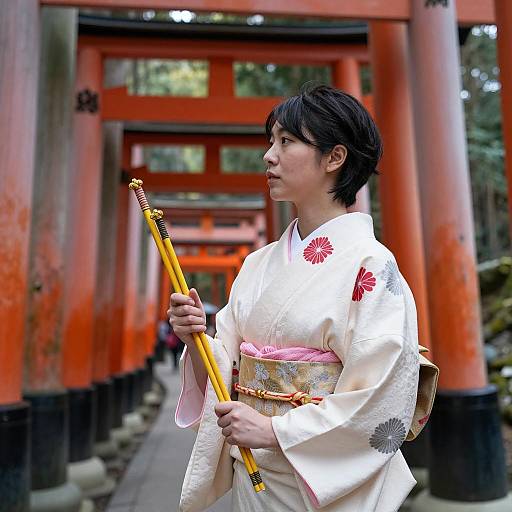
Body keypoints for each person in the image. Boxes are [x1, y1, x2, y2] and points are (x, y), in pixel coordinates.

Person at [169, 85, 424, 512]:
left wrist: (275, 432)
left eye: (286, 142)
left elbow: (382, 391)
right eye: (271, 142)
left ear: (334, 157)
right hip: (256, 471)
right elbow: (223, 367)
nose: (269, 156)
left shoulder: (371, 265)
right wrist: (195, 339)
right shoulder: (257, 264)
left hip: (328, 481)